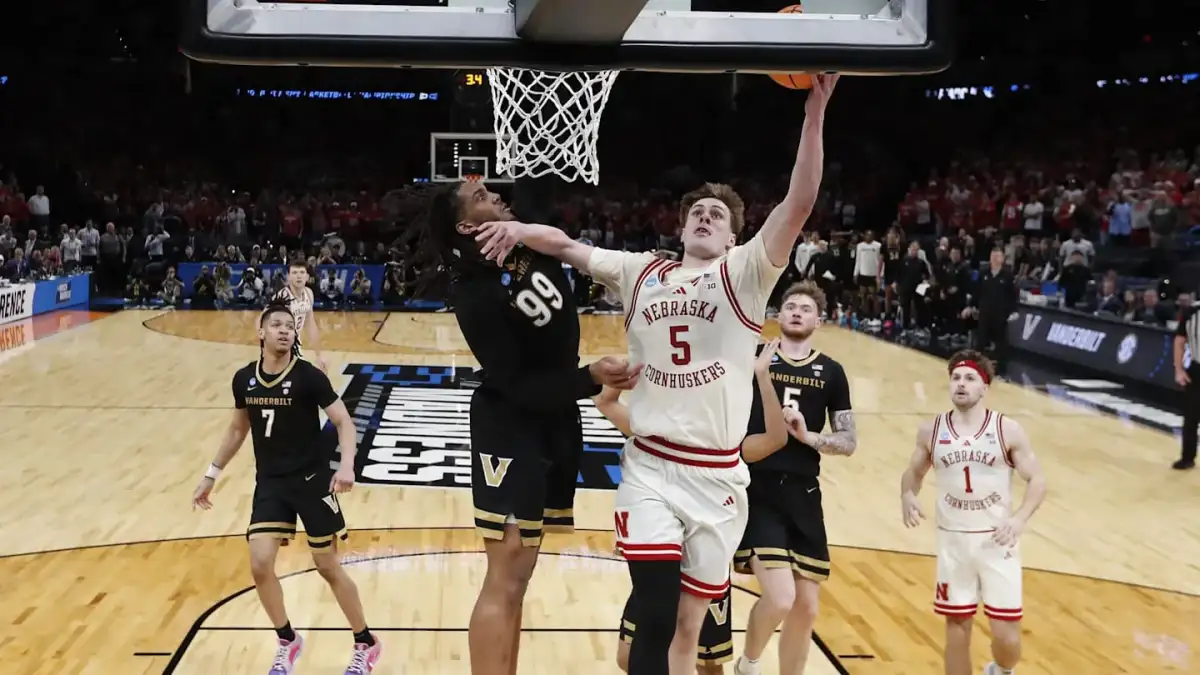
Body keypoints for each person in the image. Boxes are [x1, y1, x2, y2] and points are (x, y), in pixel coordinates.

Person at [473, 74, 838, 675]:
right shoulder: (642, 271)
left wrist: (815, 114)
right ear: (680, 227)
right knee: (656, 604)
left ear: (734, 235)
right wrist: (517, 230)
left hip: (718, 479)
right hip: (650, 465)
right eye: (696, 210)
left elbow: (798, 202)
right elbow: (566, 247)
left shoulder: (747, 274)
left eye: (717, 214)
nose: (704, 216)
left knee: (690, 630)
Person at [405, 178, 642, 675]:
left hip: (555, 420)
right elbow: (515, 385)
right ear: (468, 226)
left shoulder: (529, 239)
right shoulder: (473, 291)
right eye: (480, 198)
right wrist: (589, 378)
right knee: (506, 573)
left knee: (523, 574)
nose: (494, 194)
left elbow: (550, 219)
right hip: (510, 426)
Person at [191, 299, 382, 675]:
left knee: (327, 565)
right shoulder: (244, 378)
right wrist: (211, 473)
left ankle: (366, 642)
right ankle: (287, 639)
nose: (284, 330)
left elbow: (344, 422)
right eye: (276, 325)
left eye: (289, 327)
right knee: (260, 563)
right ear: (260, 332)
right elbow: (237, 430)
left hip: (312, 482)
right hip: (272, 483)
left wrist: (346, 465)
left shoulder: (309, 376)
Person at [596, 340, 790, 675]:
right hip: (661, 550)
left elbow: (776, 439)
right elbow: (605, 401)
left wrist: (762, 376)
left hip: (713, 522)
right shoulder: (656, 433)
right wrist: (640, 359)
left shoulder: (725, 443)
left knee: (702, 652)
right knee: (634, 650)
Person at [898, 351, 1048, 675]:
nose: (961, 384)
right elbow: (913, 473)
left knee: (1006, 637)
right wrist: (907, 495)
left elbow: (1037, 480)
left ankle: (1002, 670)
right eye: (955, 378)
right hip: (953, 541)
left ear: (985, 388)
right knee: (957, 624)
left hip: (997, 542)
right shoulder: (931, 430)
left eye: (969, 379)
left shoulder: (1007, 429)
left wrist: (1019, 519)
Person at [732, 282, 854, 675]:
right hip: (758, 486)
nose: (797, 312)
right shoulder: (753, 356)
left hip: (804, 492)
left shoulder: (832, 372)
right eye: (790, 306)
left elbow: (849, 441)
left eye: (806, 308)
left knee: (806, 606)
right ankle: (748, 664)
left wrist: (811, 437)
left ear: (819, 320)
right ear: (778, 315)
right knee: (781, 597)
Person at [961, 248, 1017, 377]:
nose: (995, 259)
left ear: (1002, 259)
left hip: (1000, 315)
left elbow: (1012, 295)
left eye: (998, 256)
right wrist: (970, 306)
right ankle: (976, 368)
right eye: (993, 256)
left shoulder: (1007, 275)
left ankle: (1001, 372)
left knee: (1001, 344)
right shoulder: (983, 273)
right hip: (985, 313)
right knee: (980, 342)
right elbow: (976, 292)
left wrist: (1014, 311)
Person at [273, 259, 326, 371]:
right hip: (280, 348)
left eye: (302, 273)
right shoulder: (282, 297)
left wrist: (318, 356)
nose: (299, 276)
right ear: (288, 277)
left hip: (296, 345)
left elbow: (311, 325)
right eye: (294, 273)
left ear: (307, 277)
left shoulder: (308, 293)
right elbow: (261, 322)